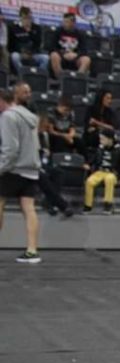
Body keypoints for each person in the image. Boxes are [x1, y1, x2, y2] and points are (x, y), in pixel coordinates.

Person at [0, 82, 42, 263]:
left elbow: (10, 149)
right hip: (31, 169)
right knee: (29, 209)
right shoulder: (30, 116)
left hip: (14, 168)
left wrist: (1, 167)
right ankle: (32, 251)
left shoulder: (8, 116)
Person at [36, 113, 74, 218]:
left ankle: (48, 201)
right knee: (43, 176)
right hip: (34, 164)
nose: (47, 126)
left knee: (59, 173)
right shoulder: (32, 136)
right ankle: (63, 205)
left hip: (45, 163)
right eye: (44, 124)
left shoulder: (45, 135)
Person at [83, 129, 120, 214]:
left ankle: (108, 204)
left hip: (112, 172)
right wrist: (88, 164)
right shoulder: (100, 148)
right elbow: (93, 159)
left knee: (109, 179)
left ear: (110, 139)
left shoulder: (119, 150)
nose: (100, 141)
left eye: (103, 139)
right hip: (100, 171)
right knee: (89, 182)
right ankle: (88, 205)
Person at [49, 12, 91, 77]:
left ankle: (78, 78)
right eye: (64, 21)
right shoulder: (58, 31)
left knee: (86, 59)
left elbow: (84, 50)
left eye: (66, 22)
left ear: (73, 23)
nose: (64, 24)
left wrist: (76, 55)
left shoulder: (80, 34)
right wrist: (62, 54)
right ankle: (60, 78)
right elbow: (52, 47)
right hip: (61, 56)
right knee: (54, 55)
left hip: (75, 58)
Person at [9, 7, 48, 74]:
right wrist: (21, 53)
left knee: (46, 58)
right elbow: (11, 46)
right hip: (19, 53)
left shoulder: (36, 28)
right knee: (14, 56)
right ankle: (23, 74)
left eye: (29, 18)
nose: (27, 20)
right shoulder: (13, 28)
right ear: (20, 18)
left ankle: (38, 75)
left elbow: (38, 44)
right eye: (25, 18)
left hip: (33, 54)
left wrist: (29, 32)